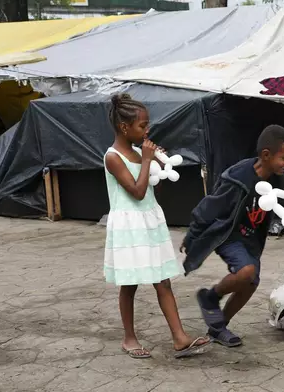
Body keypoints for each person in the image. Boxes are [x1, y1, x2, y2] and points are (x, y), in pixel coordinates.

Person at [103, 93, 210, 359]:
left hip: (149, 220)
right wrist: (149, 160)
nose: (147, 130)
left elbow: (151, 189)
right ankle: (129, 338)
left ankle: (179, 338)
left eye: (147, 124)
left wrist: (158, 165)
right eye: (142, 126)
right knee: (130, 284)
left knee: (163, 281)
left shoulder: (140, 153)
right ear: (123, 127)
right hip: (129, 225)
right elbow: (136, 192)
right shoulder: (113, 157)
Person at [180, 124, 284, 347]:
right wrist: (192, 237)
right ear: (266, 155)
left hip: (252, 240)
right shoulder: (237, 178)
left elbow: (280, 202)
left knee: (250, 283)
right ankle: (211, 297)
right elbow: (209, 208)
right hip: (229, 235)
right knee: (246, 271)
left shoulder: (276, 180)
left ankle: (218, 327)